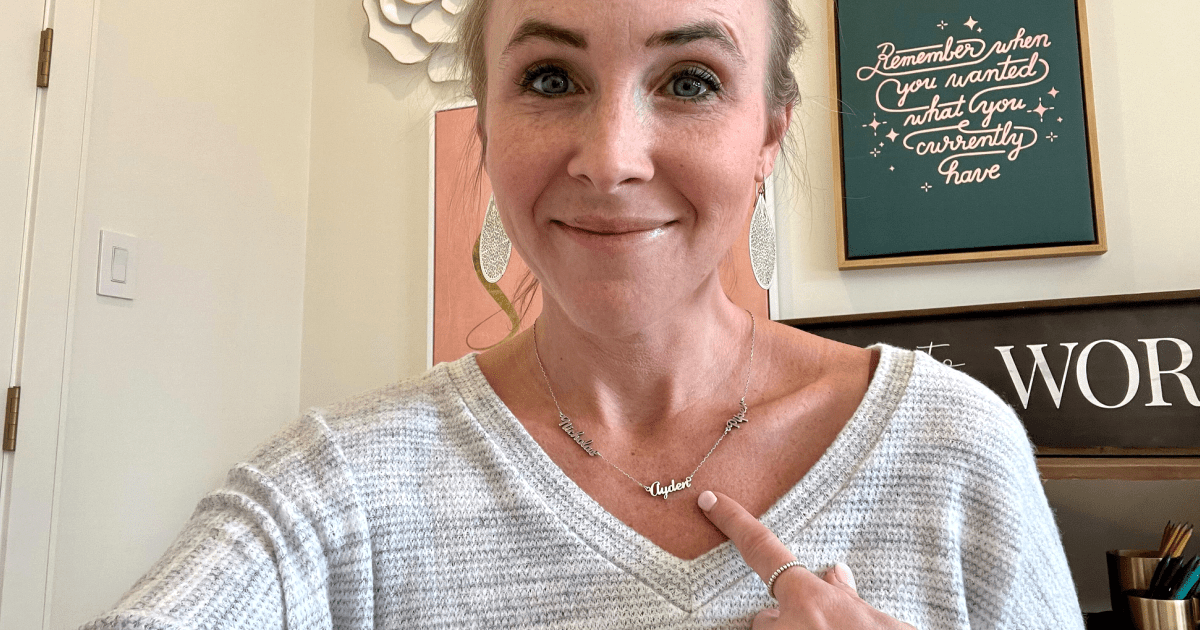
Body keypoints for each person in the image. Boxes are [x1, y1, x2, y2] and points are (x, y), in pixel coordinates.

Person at [84, 0, 1086, 628]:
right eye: (551, 79)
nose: (611, 157)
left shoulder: (952, 447)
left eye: (690, 81)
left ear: (768, 136)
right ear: (486, 123)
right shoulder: (337, 493)